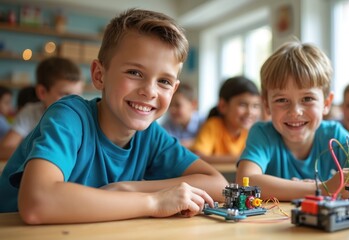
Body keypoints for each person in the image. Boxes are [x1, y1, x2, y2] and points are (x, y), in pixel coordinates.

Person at [0, 8, 227, 224]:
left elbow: (219, 185)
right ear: (99, 75)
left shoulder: (150, 135)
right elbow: (37, 202)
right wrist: (153, 201)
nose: (150, 91)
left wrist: (127, 188)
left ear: (174, 89)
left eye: (164, 81)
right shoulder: (69, 116)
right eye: (134, 72)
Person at [236, 41, 349, 201]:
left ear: (327, 103)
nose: (295, 111)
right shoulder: (262, 133)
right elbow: (245, 181)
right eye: (281, 100)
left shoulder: (333, 134)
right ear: (266, 104)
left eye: (307, 98)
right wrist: (323, 188)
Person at [0, 57, 84, 160]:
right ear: (42, 92)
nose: (73, 102)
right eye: (65, 94)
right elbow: (3, 150)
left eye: (78, 95)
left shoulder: (82, 117)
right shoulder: (30, 113)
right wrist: (42, 151)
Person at [190, 76, 261, 164]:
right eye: (242, 104)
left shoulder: (253, 132)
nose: (250, 112)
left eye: (255, 106)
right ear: (223, 106)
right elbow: (197, 157)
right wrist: (243, 158)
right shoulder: (213, 126)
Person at [161, 82, 204, 148]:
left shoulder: (204, 123)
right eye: (170, 105)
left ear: (193, 105)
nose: (172, 110)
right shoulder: (167, 125)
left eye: (177, 105)